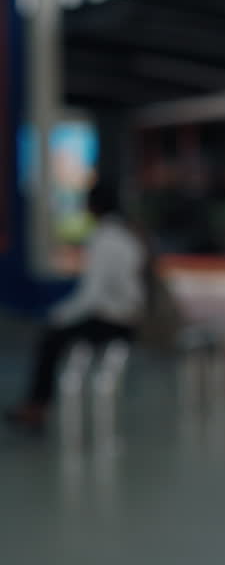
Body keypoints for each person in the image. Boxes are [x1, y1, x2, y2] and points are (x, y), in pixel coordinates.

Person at [5, 183, 146, 432]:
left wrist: (60, 315)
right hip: (129, 318)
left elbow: (92, 295)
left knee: (51, 339)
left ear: (93, 207)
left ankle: (36, 406)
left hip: (113, 320)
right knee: (55, 336)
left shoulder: (103, 239)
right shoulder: (126, 236)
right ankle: (36, 405)